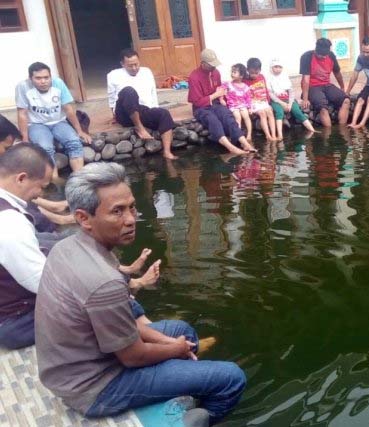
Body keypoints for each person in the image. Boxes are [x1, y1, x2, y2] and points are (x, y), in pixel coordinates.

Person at [35, 162, 246, 425]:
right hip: (96, 388)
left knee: (182, 330)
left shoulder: (68, 246)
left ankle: (183, 384)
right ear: (83, 218)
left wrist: (173, 344)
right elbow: (132, 356)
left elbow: (127, 325)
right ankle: (185, 420)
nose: (131, 219)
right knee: (231, 378)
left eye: (131, 207)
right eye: (117, 212)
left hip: (72, 369)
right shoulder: (103, 283)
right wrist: (175, 349)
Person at [0, 144, 53, 349]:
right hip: (13, 321)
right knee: (98, 307)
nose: (39, 194)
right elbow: (42, 283)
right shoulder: (10, 223)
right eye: (41, 186)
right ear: (21, 178)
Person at [15, 62, 91, 179]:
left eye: (46, 77)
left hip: (59, 121)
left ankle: (79, 179)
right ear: (30, 78)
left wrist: (79, 131)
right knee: (45, 148)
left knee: (74, 142)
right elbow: (22, 113)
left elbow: (68, 109)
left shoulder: (58, 83)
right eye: (38, 78)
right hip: (36, 124)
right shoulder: (23, 87)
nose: (43, 81)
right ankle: (55, 180)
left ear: (50, 76)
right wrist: (25, 138)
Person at [107, 48, 178, 160]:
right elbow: (111, 97)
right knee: (129, 91)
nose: (134, 68)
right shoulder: (113, 75)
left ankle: (167, 152)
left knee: (163, 113)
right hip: (124, 112)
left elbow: (152, 94)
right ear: (122, 64)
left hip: (142, 110)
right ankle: (139, 128)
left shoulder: (146, 72)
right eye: (130, 65)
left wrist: (155, 112)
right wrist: (113, 115)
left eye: (136, 64)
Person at [187, 49, 256, 155]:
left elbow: (221, 90)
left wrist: (222, 99)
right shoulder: (194, 77)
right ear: (203, 63)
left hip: (215, 104)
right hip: (201, 108)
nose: (214, 67)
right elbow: (196, 101)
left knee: (227, 115)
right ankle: (230, 147)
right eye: (211, 65)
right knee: (212, 120)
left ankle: (244, 142)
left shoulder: (216, 72)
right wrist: (215, 95)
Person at [300, 38, 351, 127]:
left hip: (327, 85)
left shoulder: (330, 56)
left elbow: (337, 73)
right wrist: (305, 99)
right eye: (321, 55)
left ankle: (342, 130)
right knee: (323, 108)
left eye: (325, 55)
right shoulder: (306, 57)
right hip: (313, 87)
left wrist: (342, 87)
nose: (324, 57)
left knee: (346, 100)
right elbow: (305, 80)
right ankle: (329, 134)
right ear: (316, 50)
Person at [266, 58, 316, 138]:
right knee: (279, 112)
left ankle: (312, 129)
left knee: (297, 111)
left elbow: (291, 92)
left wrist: (289, 103)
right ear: (271, 68)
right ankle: (280, 135)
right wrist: (282, 103)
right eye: (275, 67)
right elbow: (271, 94)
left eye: (280, 67)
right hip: (276, 101)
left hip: (288, 100)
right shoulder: (268, 78)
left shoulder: (285, 77)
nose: (278, 69)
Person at [243, 58, 279, 141]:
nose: (254, 75)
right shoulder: (245, 81)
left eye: (256, 73)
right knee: (262, 113)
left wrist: (268, 101)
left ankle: (273, 135)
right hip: (254, 103)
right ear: (247, 70)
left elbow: (266, 89)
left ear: (260, 70)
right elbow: (245, 95)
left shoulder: (262, 77)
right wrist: (249, 107)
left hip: (263, 101)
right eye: (252, 73)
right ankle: (268, 135)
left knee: (270, 112)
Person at [221, 63, 254, 142]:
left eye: (235, 72)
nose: (232, 73)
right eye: (232, 72)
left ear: (241, 76)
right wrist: (221, 99)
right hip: (233, 105)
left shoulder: (245, 86)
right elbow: (220, 90)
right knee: (237, 117)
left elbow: (248, 98)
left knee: (246, 116)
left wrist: (250, 107)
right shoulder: (228, 84)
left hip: (243, 105)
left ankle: (249, 134)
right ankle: (239, 134)